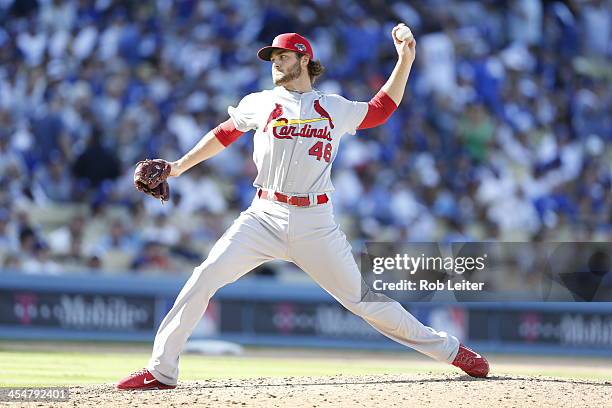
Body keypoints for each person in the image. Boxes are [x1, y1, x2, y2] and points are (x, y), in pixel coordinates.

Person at [117, 25, 489, 391]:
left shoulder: (333, 107)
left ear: (304, 59)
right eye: (272, 57)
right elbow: (224, 134)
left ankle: (452, 351)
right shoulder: (259, 102)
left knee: (364, 301)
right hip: (263, 216)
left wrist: (404, 60)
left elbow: (381, 109)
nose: (275, 62)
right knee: (203, 278)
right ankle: (161, 371)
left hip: (315, 222)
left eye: (283, 56)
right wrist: (178, 166)